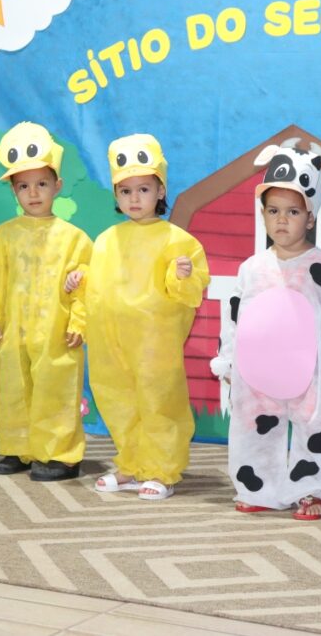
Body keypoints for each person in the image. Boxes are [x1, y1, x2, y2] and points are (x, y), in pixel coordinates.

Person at [210, 142, 321, 520]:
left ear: (310, 218)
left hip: (313, 375)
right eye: (274, 211)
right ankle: (258, 487)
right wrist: (230, 362)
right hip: (260, 372)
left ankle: (315, 489)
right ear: (262, 214)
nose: (282, 220)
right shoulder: (252, 269)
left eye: (293, 211)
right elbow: (235, 317)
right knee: (253, 429)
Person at [79, 133, 209, 501]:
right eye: (125, 191)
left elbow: (190, 291)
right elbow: (100, 284)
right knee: (117, 399)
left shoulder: (177, 240)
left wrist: (182, 275)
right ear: (116, 195)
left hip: (154, 341)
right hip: (111, 341)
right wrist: (80, 280)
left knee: (158, 400)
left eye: (143, 189)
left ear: (160, 190)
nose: (134, 198)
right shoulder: (107, 240)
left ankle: (161, 470)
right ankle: (131, 464)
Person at [0, 122, 92, 481]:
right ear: (13, 190)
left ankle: (61, 455)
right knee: (13, 389)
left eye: (41, 184)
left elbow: (87, 284)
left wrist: (79, 320)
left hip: (56, 333)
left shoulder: (74, 239)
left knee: (56, 390)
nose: (33, 193)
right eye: (23, 186)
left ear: (58, 186)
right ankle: (18, 448)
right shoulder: (2, 237)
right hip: (12, 331)